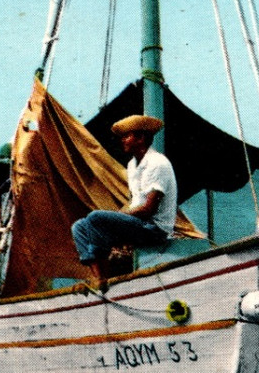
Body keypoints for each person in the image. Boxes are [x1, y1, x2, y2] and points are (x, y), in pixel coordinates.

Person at [71, 114, 178, 284]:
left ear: (141, 138)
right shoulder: (132, 165)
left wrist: (116, 216)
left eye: (127, 136)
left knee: (95, 217)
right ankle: (99, 278)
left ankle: (105, 274)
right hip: (138, 225)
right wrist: (118, 216)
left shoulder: (158, 163)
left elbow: (148, 209)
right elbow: (135, 201)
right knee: (79, 227)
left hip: (154, 229)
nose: (123, 141)